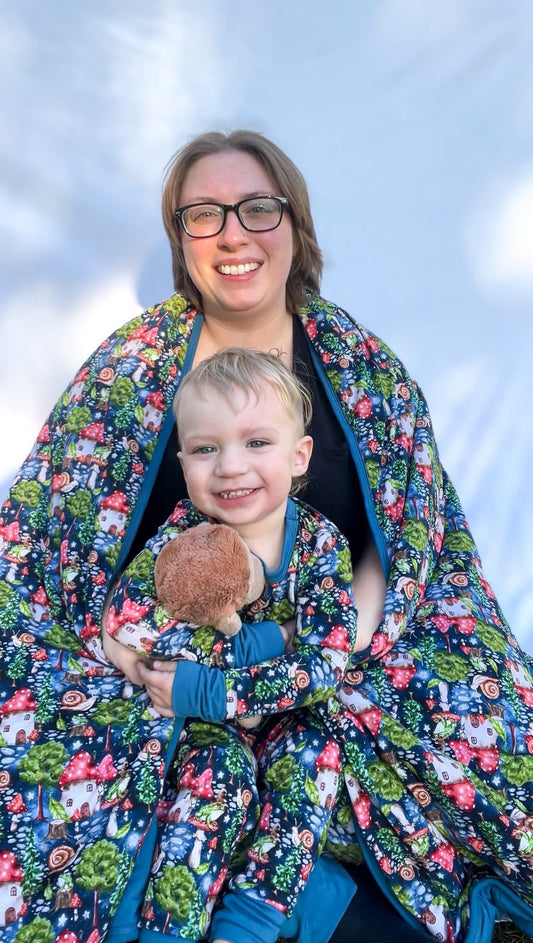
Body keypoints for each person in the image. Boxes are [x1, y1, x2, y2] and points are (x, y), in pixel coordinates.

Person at [0, 128, 532, 943]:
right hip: (171, 649)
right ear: (181, 238)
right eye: (203, 215)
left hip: (339, 630)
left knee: (483, 720)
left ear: (293, 224)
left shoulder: (361, 364)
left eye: (256, 208)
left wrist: (334, 642)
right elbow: (54, 537)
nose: (232, 234)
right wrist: (144, 666)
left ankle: (324, 893)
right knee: (54, 741)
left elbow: (408, 533)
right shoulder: (131, 367)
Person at [101, 347, 358, 943]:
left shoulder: (320, 546)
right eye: (206, 449)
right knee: (216, 778)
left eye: (257, 443)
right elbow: (128, 625)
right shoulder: (183, 536)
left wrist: (218, 688)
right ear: (183, 463)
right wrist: (271, 641)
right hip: (201, 726)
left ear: (299, 456)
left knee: (315, 760)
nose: (230, 467)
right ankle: (167, 926)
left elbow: (327, 661)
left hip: (287, 717)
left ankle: (249, 922)